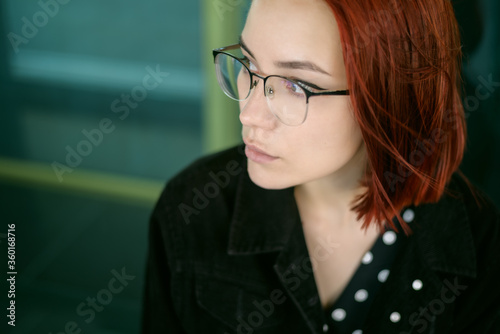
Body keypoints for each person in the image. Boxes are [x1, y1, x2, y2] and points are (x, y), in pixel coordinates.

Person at [141, 0, 500, 333]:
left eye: (297, 86)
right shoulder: (191, 208)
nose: (249, 114)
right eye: (248, 65)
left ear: (390, 94)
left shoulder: (479, 246)